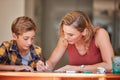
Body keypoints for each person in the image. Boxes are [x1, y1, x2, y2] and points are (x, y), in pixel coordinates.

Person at [37, 11, 114, 73]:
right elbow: (51, 63)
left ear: (84, 31)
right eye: (64, 32)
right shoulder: (65, 39)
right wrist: (44, 66)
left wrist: (77, 68)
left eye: (71, 34)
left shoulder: (100, 34)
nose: (66, 37)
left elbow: (110, 66)